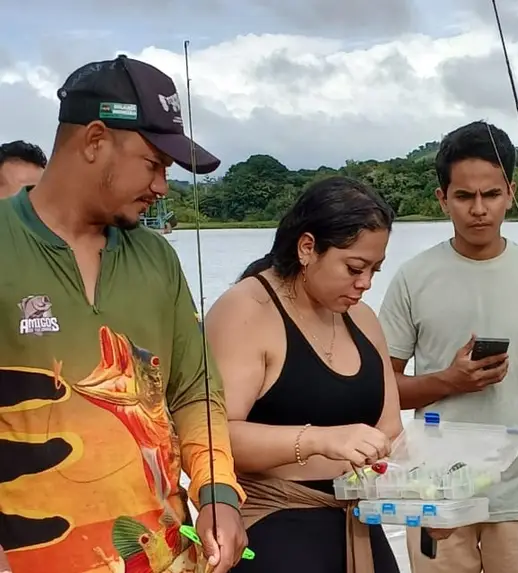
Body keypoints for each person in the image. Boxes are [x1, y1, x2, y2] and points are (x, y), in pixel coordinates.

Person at [0, 55, 247, 573]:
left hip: (160, 556)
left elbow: (196, 390)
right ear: (94, 141)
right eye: (154, 164)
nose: (162, 186)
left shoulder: (157, 258)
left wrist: (217, 493)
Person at [378, 120, 518, 573]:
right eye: (464, 197)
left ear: (510, 191)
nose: (479, 210)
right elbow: (379, 388)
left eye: (490, 195)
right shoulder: (413, 277)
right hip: (435, 496)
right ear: (442, 198)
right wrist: (448, 381)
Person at [205, 175, 403, 573]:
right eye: (354, 268)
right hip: (273, 521)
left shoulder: (362, 318)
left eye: (374, 271)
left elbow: (391, 429)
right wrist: (319, 440)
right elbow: (212, 434)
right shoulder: (246, 309)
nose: (364, 284)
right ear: (308, 247)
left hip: (358, 521)